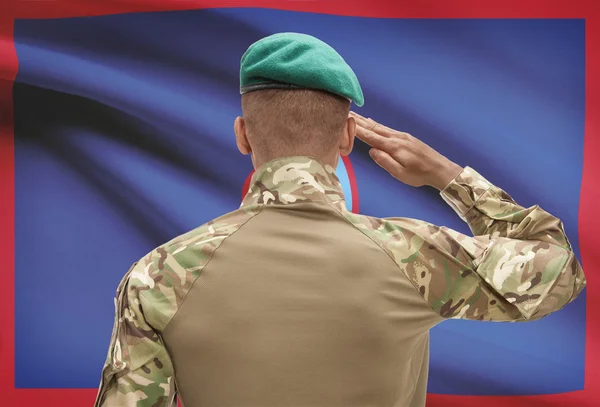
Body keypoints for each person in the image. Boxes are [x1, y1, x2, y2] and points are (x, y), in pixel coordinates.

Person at [94, 32, 586, 407]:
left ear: (243, 135)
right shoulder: (415, 255)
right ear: (349, 135)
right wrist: (448, 176)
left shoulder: (157, 275)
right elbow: (559, 268)